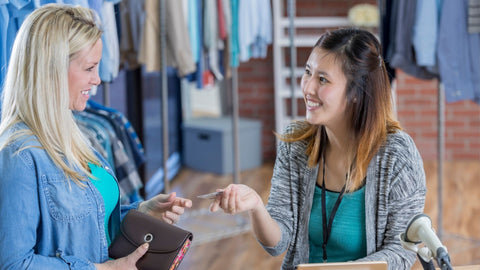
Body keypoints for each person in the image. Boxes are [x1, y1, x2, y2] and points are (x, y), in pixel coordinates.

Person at [210, 28, 426, 270]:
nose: (308, 88)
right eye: (307, 72)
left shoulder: (397, 155)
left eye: (323, 79)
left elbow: (402, 251)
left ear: (356, 92)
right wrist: (256, 207)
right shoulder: (296, 144)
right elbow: (277, 244)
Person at [0, 4, 192, 270]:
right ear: (51, 69)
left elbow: (90, 220)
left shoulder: (72, 132)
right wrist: (101, 269)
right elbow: (13, 264)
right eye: (90, 68)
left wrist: (142, 212)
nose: (98, 80)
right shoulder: (19, 155)